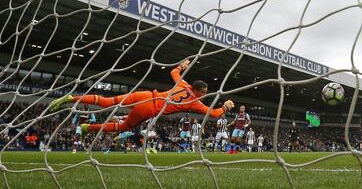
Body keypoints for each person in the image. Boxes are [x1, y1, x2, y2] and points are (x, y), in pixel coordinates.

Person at [49, 59, 235, 136]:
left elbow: (174, 71)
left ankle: (72, 97)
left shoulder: (183, 84)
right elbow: (215, 114)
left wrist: (182, 65)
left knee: (107, 101)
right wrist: (226, 106)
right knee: (124, 127)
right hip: (149, 109)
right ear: (200, 91)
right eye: (205, 91)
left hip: (145, 95)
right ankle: (88, 127)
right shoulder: (195, 103)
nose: (205, 93)